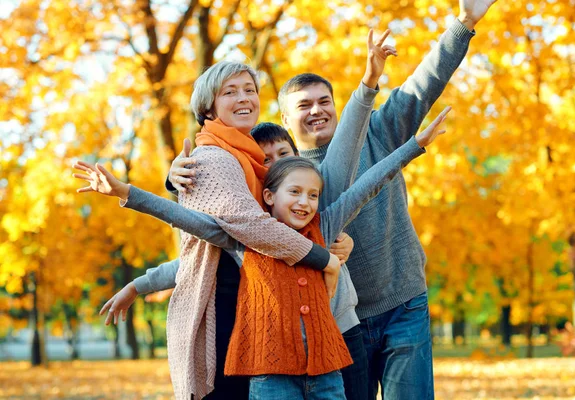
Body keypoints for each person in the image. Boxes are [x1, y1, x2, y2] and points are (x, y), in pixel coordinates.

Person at [168, 2, 498, 398]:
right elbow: (222, 209)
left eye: (324, 100)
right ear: (284, 121)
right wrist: (174, 179)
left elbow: (422, 84)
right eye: (303, 105)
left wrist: (463, 24)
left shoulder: (376, 132)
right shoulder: (272, 178)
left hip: (401, 302)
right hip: (339, 322)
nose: (317, 110)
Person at [78, 28, 397, 400]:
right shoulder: (215, 158)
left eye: (249, 90)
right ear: (209, 108)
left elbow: (221, 236)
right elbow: (241, 231)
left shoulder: (256, 167)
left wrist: (334, 243)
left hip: (273, 317)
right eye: (230, 91)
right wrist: (323, 258)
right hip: (227, 310)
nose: (244, 97)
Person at [73, 105, 449, 399]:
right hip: (271, 374)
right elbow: (184, 220)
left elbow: (368, 184)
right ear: (267, 195)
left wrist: (414, 146)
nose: (304, 203)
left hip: (327, 370)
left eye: (312, 195)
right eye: (294, 193)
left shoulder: (327, 224)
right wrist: (125, 192)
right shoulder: (244, 237)